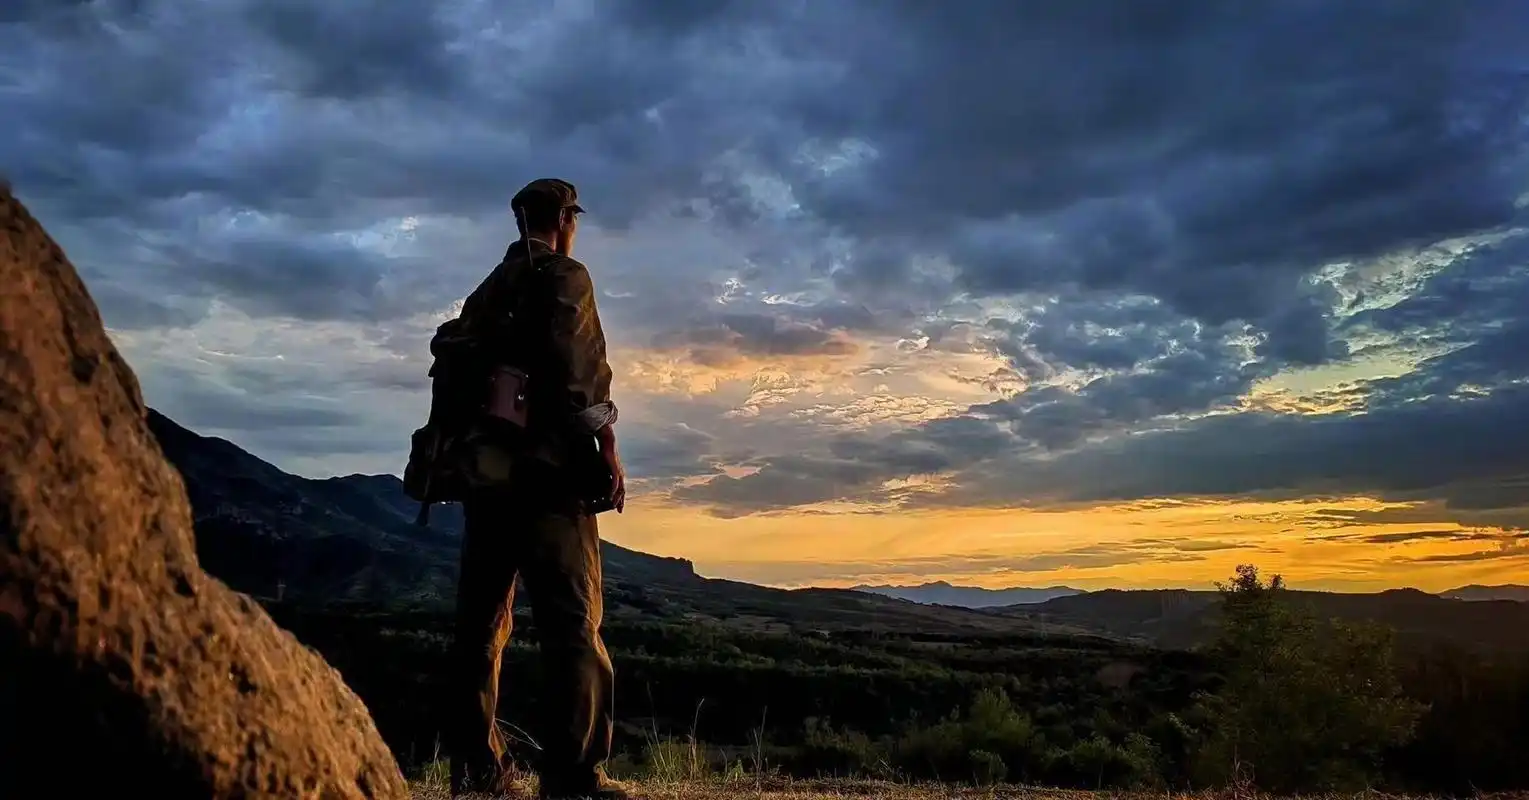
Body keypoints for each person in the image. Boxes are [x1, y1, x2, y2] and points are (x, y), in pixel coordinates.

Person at [444, 178, 629, 799]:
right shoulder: (566, 277)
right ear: (565, 219)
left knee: (481, 626)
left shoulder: (485, 293)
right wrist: (605, 448)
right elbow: (580, 382)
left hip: (486, 478)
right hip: (548, 480)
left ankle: (478, 769)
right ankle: (574, 775)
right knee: (574, 624)